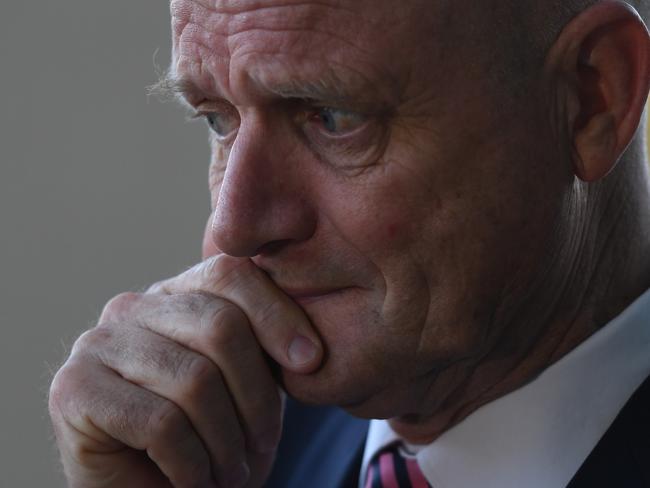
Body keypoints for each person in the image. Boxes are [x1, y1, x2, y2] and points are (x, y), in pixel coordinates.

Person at [48, 0, 650, 486]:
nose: (232, 228)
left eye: (333, 117)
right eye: (217, 119)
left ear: (591, 98)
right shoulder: (211, 448)